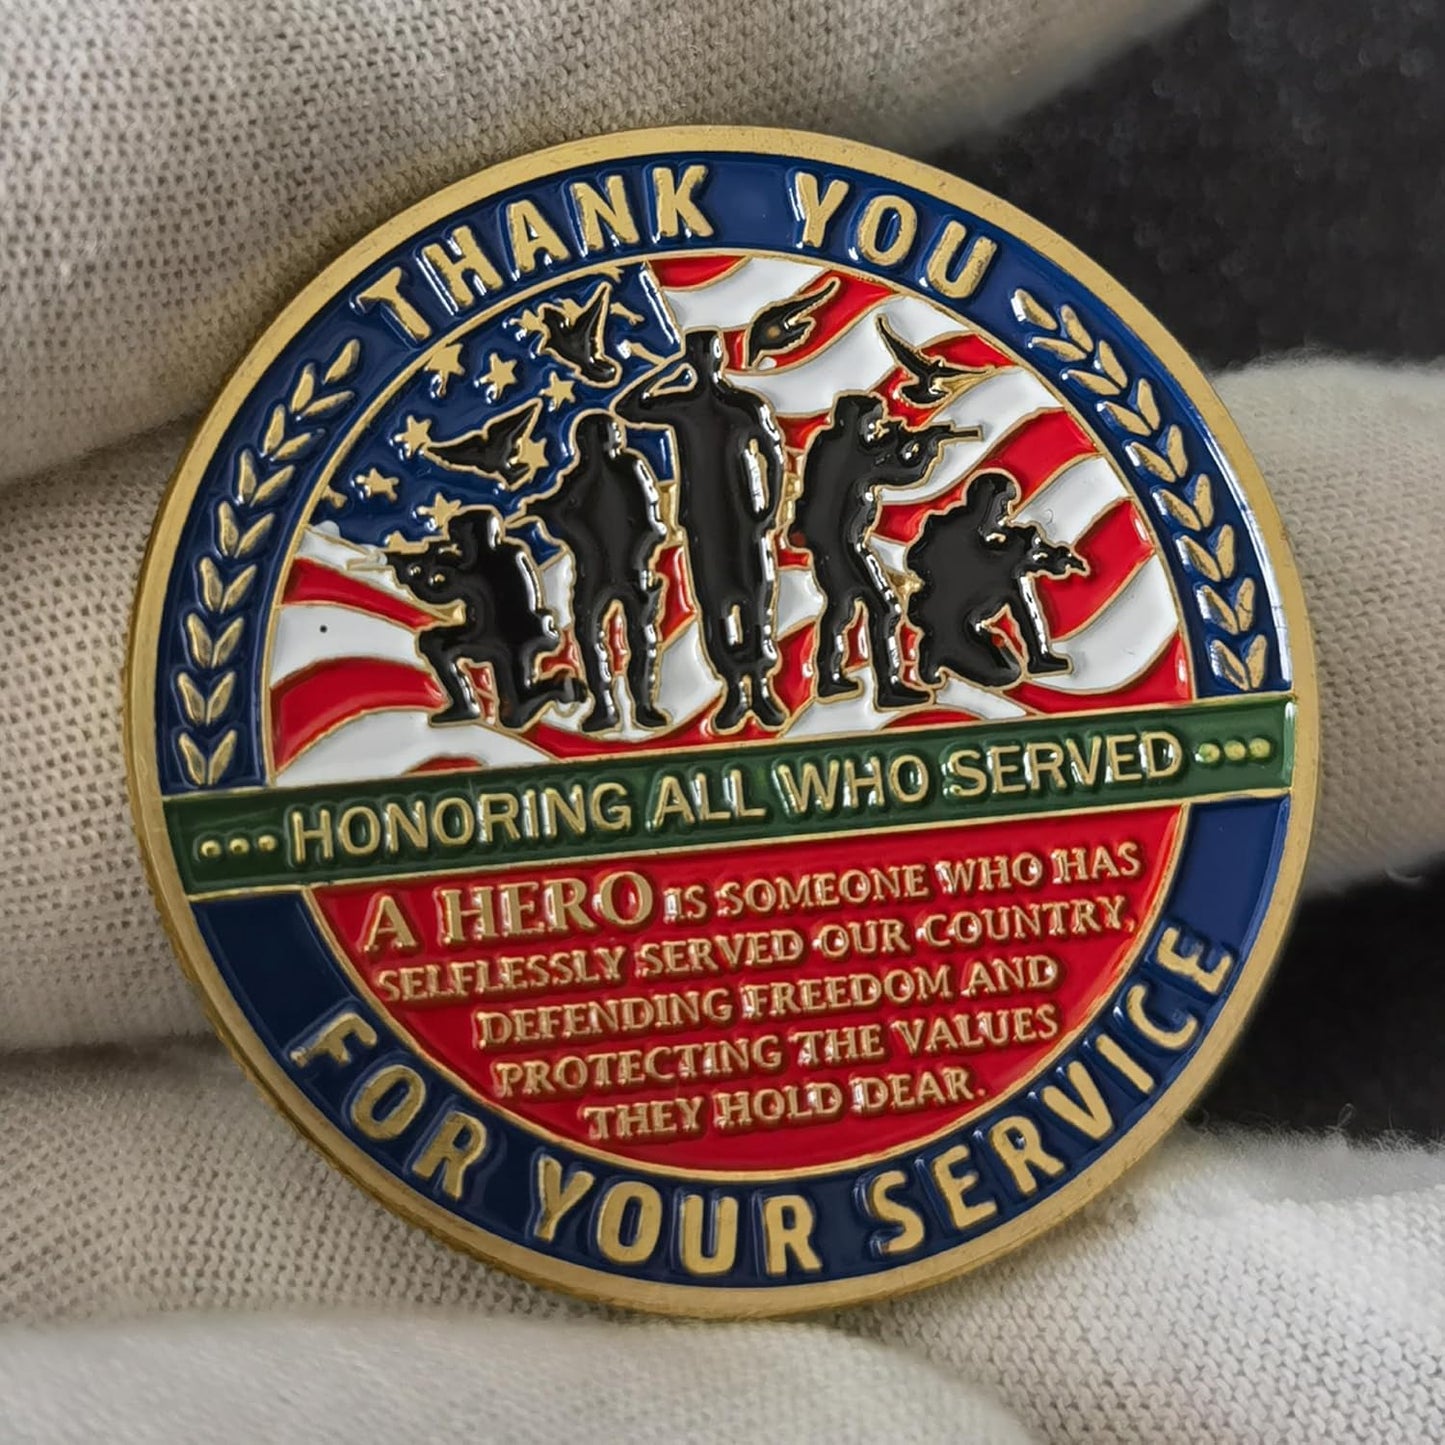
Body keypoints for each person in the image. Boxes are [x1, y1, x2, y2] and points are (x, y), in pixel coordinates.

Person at [616, 328, 786, 731]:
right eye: (695, 355)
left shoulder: (744, 406)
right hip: (701, 521)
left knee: (755, 599)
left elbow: (774, 456)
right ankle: (735, 689)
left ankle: (761, 688)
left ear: (719, 357)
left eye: (707, 353)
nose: (703, 361)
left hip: (745, 517)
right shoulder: (683, 407)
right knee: (715, 605)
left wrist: (769, 509)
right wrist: (667, 369)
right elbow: (629, 407)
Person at [793, 390, 974, 706]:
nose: (876, 429)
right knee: (884, 607)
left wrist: (900, 442)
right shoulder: (853, 451)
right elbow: (905, 473)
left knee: (842, 607)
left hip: (831, 543)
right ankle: (887, 686)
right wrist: (927, 448)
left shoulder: (828, 443)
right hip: (844, 544)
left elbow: (882, 462)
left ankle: (830, 676)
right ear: (858, 422)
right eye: (873, 424)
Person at [526, 411, 669, 732]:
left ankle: (644, 704)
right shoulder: (578, 479)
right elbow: (555, 511)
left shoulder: (629, 469)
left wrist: (638, 558)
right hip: (594, 572)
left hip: (631, 569)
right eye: (591, 439)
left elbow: (653, 525)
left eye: (603, 436)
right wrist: (543, 512)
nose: (598, 444)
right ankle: (604, 705)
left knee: (641, 636)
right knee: (590, 637)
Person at [385, 506, 577, 728]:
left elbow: (436, 595)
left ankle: (465, 705)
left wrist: (408, 576)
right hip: (523, 633)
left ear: (472, 538)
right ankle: (555, 689)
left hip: (501, 639)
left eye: (459, 541)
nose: (456, 547)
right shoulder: (511, 554)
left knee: (434, 644)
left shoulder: (476, 569)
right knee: (514, 713)